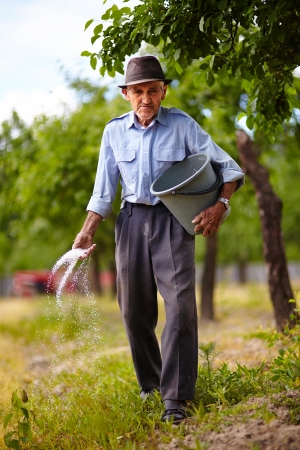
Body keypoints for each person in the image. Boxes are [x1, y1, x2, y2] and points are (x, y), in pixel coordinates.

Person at [73, 55, 244, 423]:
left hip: (172, 221)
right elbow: (103, 192)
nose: (146, 98)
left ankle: (176, 400)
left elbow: (229, 168)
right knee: (134, 311)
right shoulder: (113, 132)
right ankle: (150, 386)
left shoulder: (183, 125)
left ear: (163, 91)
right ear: (125, 94)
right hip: (132, 220)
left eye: (153, 90)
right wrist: (87, 230)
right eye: (138, 91)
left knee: (181, 306)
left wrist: (221, 206)